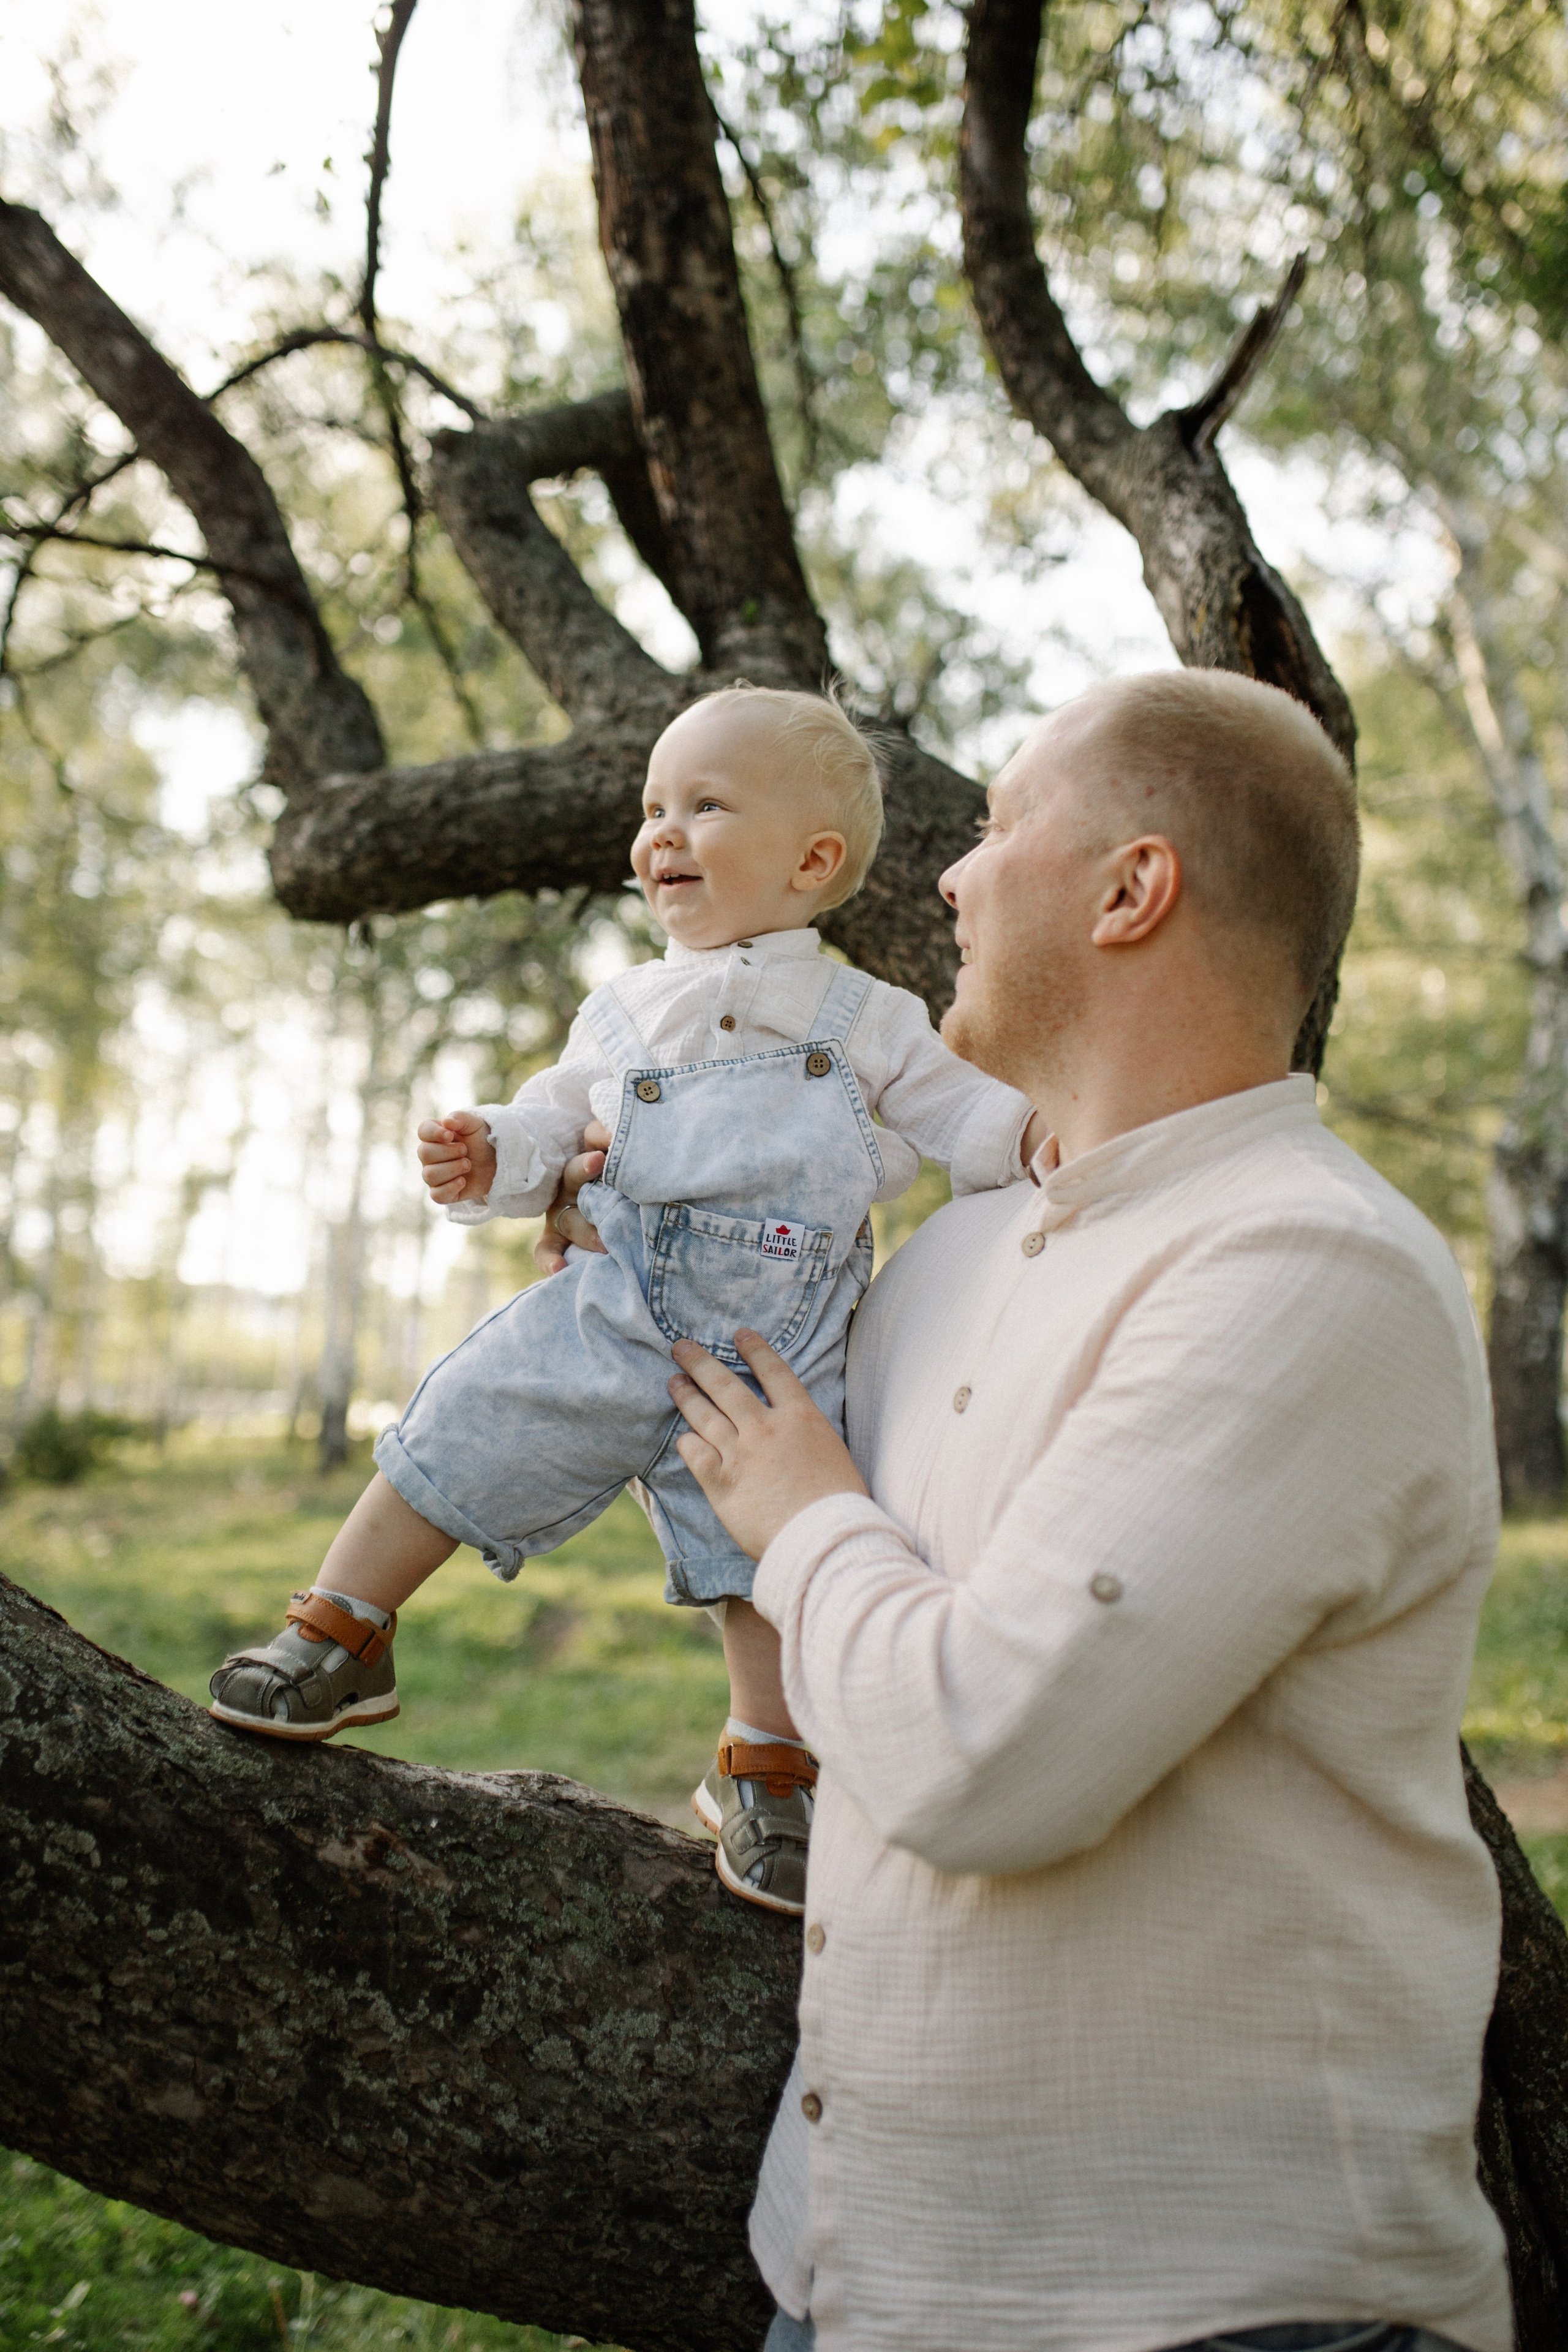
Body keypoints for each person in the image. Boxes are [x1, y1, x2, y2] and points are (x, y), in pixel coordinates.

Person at [641, 671, 1510, 2352]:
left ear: (1132, 889)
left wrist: (803, 1511)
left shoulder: (1306, 1263)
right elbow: (840, 1672)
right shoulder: (951, 1255)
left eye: (995, 829)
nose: (951, 881)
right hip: (840, 2276)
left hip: (1211, 2310)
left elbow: (981, 1754)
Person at [206, 684, 1043, 1920]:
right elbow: (554, 1121)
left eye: (704, 806)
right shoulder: (625, 1011)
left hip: (774, 1341)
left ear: (812, 860)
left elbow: (967, 1117)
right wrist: (494, 1153)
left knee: (761, 1552)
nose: (659, 833)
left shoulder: (866, 1020)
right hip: (613, 1307)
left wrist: (1040, 1143)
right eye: (652, 808)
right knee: (465, 1425)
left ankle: (764, 1761)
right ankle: (344, 1623)